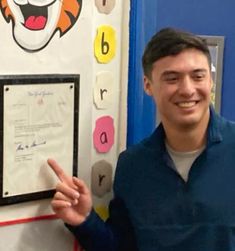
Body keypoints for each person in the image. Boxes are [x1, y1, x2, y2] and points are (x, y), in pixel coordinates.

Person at [48, 27, 235, 251]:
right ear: (148, 85)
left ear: (210, 81)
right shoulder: (133, 166)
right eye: (172, 78)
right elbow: (121, 247)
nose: (187, 89)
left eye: (198, 76)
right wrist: (85, 220)